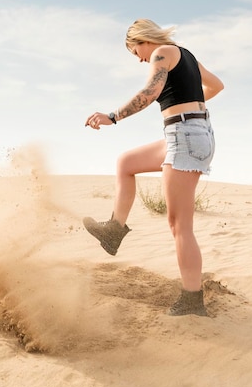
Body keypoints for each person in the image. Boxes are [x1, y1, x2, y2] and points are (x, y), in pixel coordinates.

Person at [83, 19, 224, 316]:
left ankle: (192, 299)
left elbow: (150, 91)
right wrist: (191, 105)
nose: (139, 59)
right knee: (126, 163)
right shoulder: (186, 56)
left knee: (179, 225)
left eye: (136, 52)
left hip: (185, 136)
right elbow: (217, 86)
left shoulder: (162, 52)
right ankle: (114, 230)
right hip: (190, 133)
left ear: (142, 40)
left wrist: (113, 116)